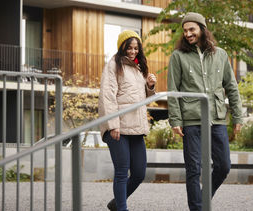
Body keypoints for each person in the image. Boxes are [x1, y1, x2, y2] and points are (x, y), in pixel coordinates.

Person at [167, 12, 243, 211]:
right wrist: (175, 119)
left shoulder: (220, 54)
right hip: (191, 119)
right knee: (194, 169)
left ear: (202, 29)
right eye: (185, 31)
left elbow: (231, 87)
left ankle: (202, 199)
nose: (188, 34)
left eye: (192, 29)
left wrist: (237, 115)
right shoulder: (178, 56)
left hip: (217, 118)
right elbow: (173, 89)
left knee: (223, 165)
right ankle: (198, 208)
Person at [98, 30, 157, 211]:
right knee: (122, 171)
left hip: (136, 127)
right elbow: (107, 97)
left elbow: (140, 98)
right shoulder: (113, 65)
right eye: (129, 48)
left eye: (135, 48)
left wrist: (150, 86)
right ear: (122, 47)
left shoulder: (138, 68)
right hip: (118, 128)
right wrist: (113, 125)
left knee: (139, 173)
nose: (133, 52)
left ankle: (116, 204)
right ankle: (122, 208)